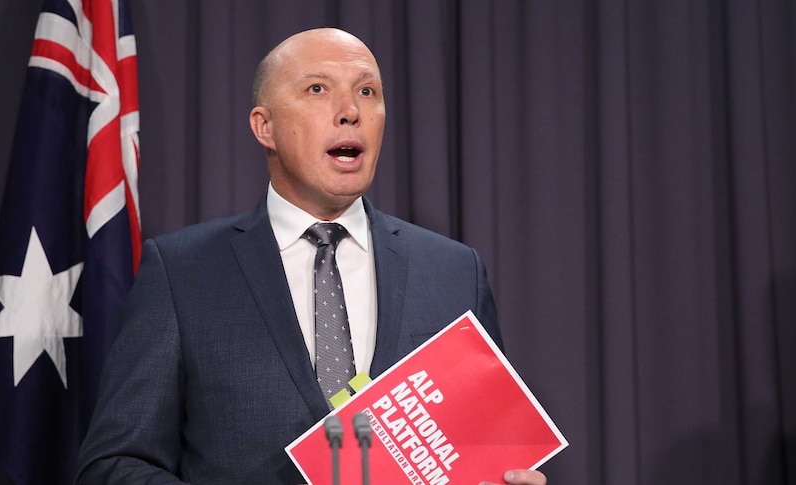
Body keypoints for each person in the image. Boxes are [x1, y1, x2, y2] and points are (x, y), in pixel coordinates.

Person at [75, 28, 547, 485]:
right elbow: (113, 465)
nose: (350, 112)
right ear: (265, 126)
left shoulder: (454, 272)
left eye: (368, 91)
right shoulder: (181, 272)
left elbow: (486, 450)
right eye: (318, 89)